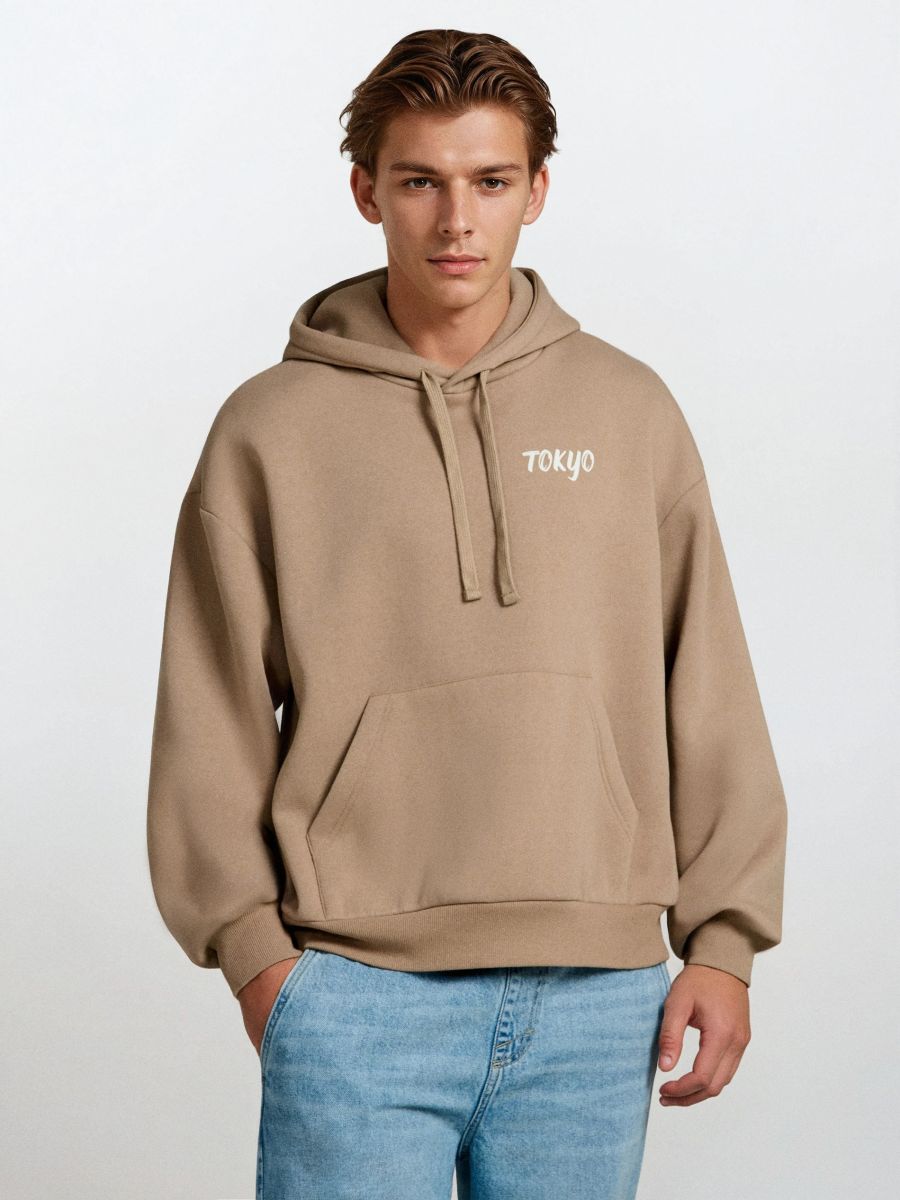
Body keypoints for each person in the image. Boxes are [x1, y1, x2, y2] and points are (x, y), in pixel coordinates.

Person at [146, 27, 788, 1200]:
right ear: (366, 192)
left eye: (490, 182)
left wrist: (726, 941)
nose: (456, 220)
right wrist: (258, 962)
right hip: (354, 995)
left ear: (537, 191)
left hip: (598, 1000)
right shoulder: (269, 431)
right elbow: (210, 715)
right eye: (420, 183)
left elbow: (708, 683)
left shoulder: (629, 411)